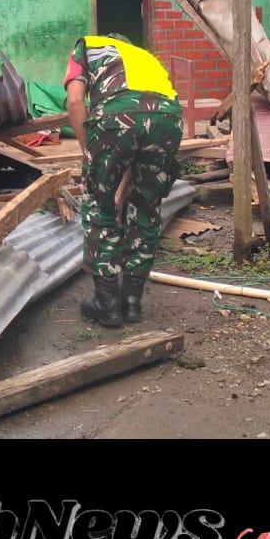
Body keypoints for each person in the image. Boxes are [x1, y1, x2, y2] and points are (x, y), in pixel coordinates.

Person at [64, 33, 186, 328]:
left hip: (116, 118)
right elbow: (148, 118)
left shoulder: (87, 46)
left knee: (98, 205)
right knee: (146, 207)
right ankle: (132, 302)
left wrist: (89, 153)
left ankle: (106, 305)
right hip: (169, 121)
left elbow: (75, 102)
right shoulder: (144, 57)